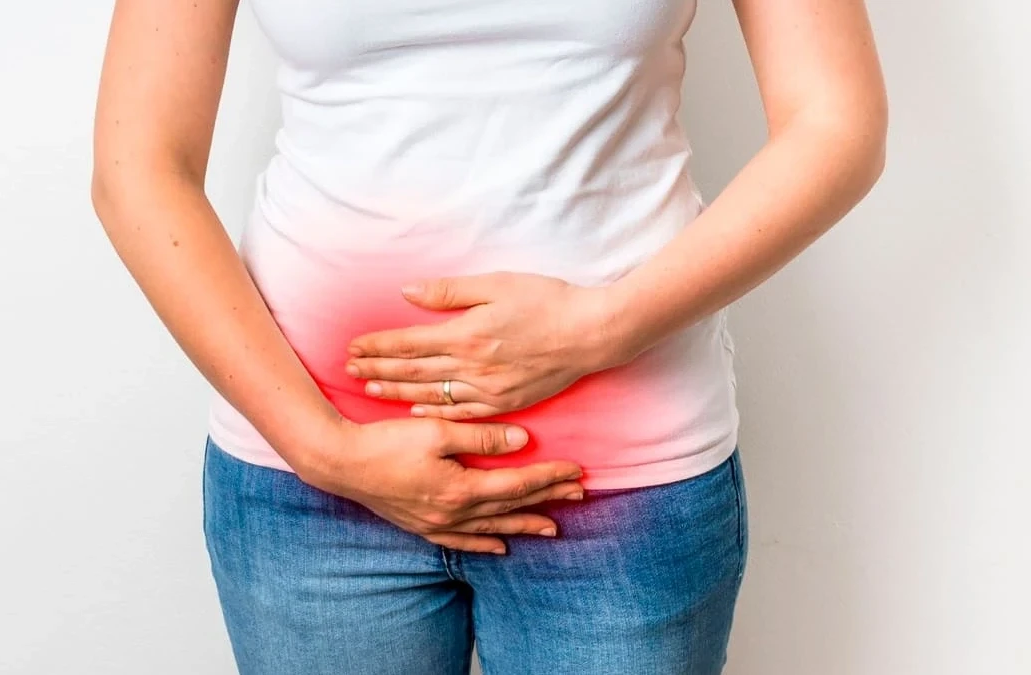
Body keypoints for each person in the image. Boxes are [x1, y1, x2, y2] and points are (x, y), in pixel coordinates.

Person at [91, 0, 886, 672]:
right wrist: (322, 447)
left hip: (620, 490)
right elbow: (138, 164)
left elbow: (837, 123)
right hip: (309, 490)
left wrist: (600, 328)